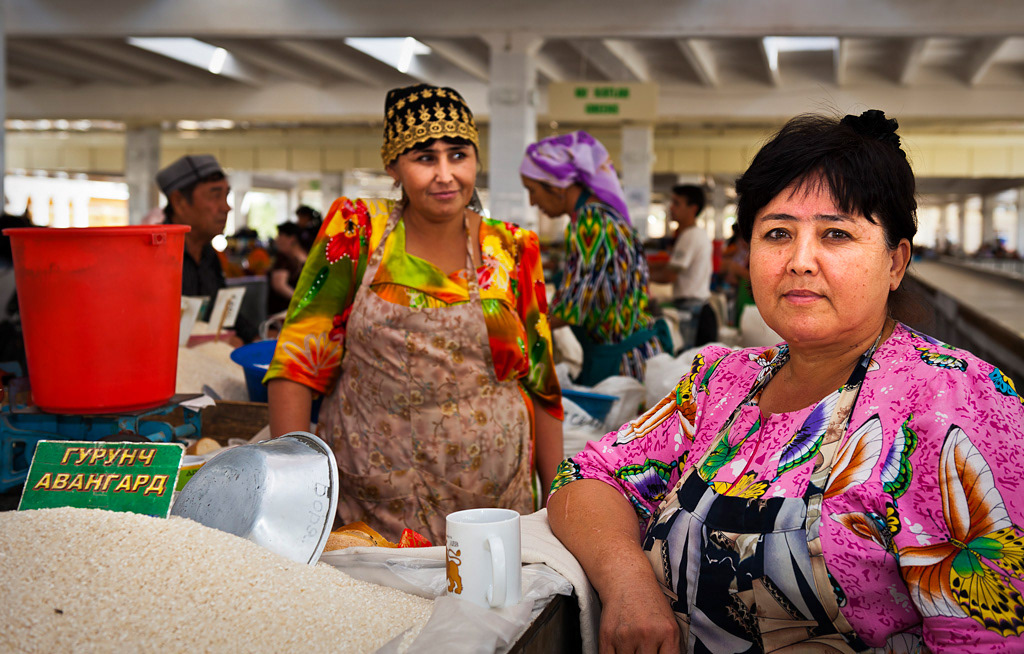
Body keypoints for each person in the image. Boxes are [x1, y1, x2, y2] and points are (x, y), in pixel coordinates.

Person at [547, 110, 1024, 652]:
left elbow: (989, 636)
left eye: (835, 234)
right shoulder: (720, 382)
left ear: (895, 262)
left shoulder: (957, 403)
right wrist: (630, 585)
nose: (800, 261)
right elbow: (588, 475)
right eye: (777, 233)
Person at [265, 84, 563, 544]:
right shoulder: (358, 229)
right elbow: (298, 363)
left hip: (494, 504)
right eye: (425, 158)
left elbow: (542, 383)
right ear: (393, 165)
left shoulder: (510, 247)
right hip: (374, 498)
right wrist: (293, 497)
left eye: (458, 155)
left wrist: (555, 505)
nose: (445, 174)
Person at [520, 131, 668, 385]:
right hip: (630, 354)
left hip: (622, 365)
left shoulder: (591, 223)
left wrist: (514, 329)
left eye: (532, 190)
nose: (533, 202)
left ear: (557, 185)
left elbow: (575, 307)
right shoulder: (602, 216)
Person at [156, 154, 257, 344]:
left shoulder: (209, 256)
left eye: (226, 195)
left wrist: (257, 337)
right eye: (215, 195)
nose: (226, 207)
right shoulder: (155, 258)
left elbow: (223, 309)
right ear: (179, 202)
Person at [649, 184, 717, 347]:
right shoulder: (694, 234)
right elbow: (669, 266)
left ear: (692, 209)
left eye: (676, 203)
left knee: (688, 364)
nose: (671, 208)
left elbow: (669, 275)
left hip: (692, 310)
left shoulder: (690, 236)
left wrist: (638, 275)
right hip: (696, 307)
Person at [266, 222, 307, 316]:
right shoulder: (284, 259)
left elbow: (279, 285)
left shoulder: (287, 259)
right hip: (285, 312)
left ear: (292, 238)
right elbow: (279, 285)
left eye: (280, 235)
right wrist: (302, 302)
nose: (277, 240)